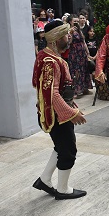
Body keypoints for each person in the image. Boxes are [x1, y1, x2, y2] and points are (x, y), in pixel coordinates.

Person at [32, 20, 87, 200]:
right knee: (68, 151)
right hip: (56, 116)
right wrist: (71, 113)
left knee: (60, 146)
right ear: (55, 39)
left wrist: (72, 106)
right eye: (65, 34)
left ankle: (45, 180)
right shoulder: (50, 62)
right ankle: (63, 189)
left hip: (57, 112)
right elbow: (53, 94)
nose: (68, 37)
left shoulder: (46, 56)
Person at [66, 15, 92, 98]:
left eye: (77, 21)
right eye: (75, 21)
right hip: (74, 54)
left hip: (82, 54)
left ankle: (85, 88)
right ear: (70, 22)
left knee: (84, 70)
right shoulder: (68, 31)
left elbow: (83, 41)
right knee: (76, 72)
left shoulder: (79, 30)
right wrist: (70, 33)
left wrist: (87, 53)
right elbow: (68, 44)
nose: (76, 23)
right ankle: (76, 90)